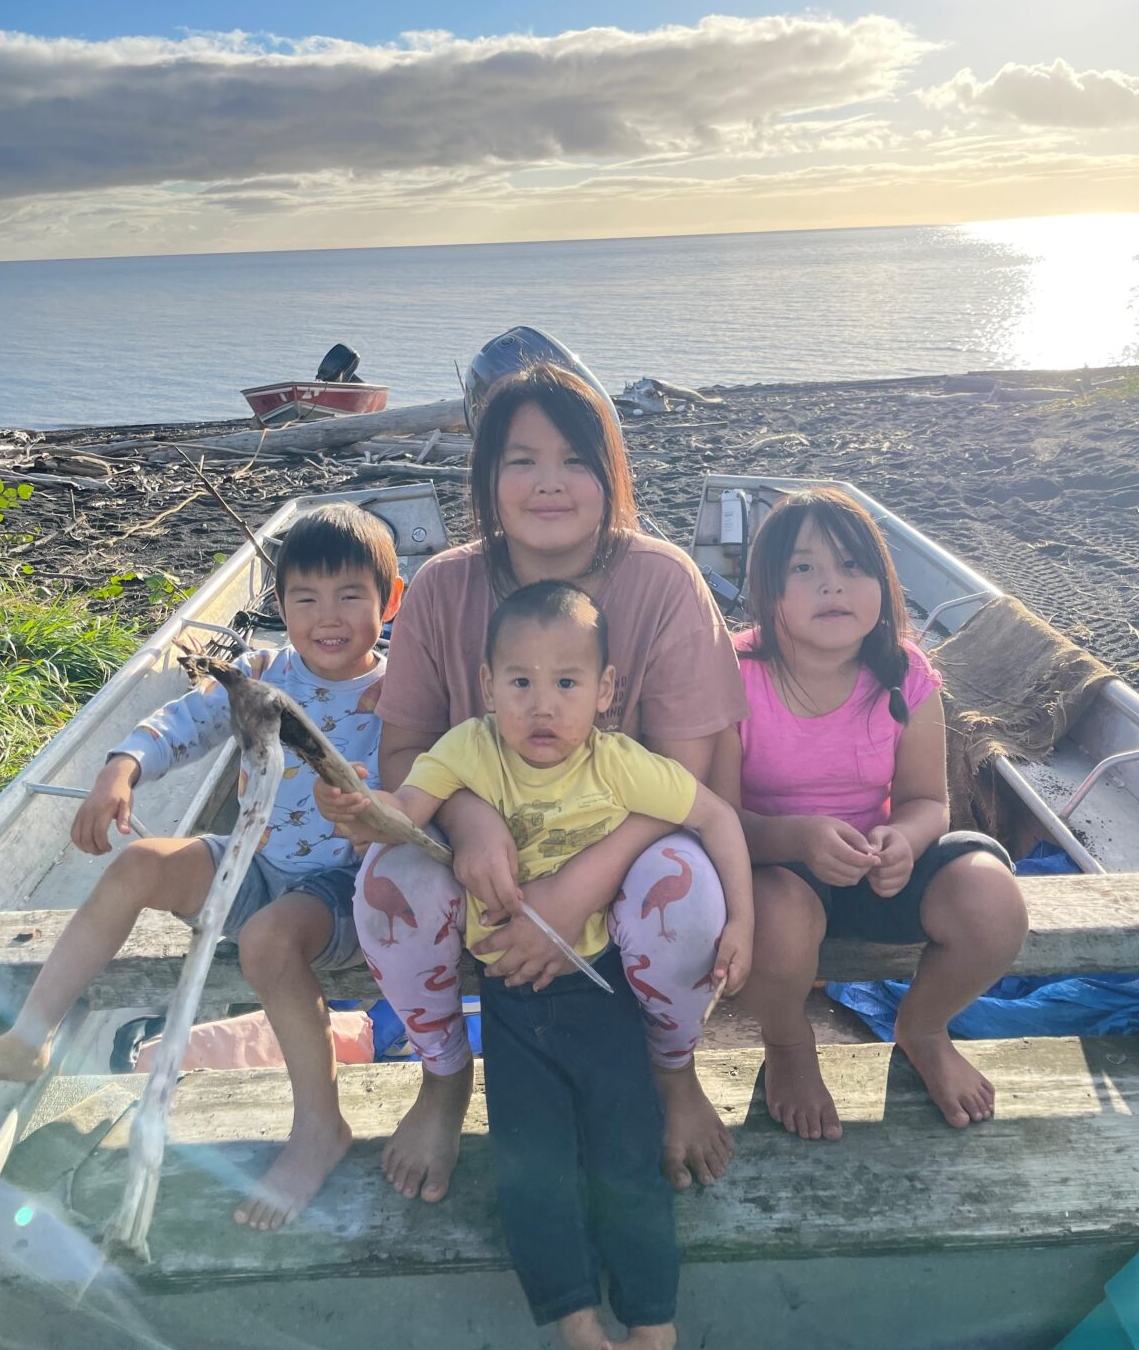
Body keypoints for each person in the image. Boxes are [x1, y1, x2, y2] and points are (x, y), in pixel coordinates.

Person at [315, 362, 750, 1203]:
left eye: (575, 459)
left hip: (631, 839)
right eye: (521, 459)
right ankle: (443, 1074)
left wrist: (572, 890)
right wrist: (472, 819)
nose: (549, 482)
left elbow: (690, 782)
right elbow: (405, 751)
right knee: (386, 881)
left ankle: (673, 1070)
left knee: (686, 892)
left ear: (611, 474)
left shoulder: (663, 581)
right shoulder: (445, 585)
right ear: (486, 478)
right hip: (484, 864)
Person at [0, 503, 402, 1230]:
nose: (328, 616)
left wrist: (377, 803)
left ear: (390, 600)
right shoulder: (263, 671)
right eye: (304, 598)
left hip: (341, 887)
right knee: (139, 864)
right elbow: (183, 723)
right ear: (279, 606)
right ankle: (31, 1037)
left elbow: (437, 774)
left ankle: (320, 1124)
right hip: (252, 858)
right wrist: (120, 768)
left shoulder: (399, 690)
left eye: (351, 595)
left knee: (268, 940)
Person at [349, 579, 753, 1350]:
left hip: (602, 996)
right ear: (486, 686)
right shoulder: (468, 747)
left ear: (605, 691)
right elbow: (410, 806)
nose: (542, 704)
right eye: (521, 682)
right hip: (509, 1001)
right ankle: (574, 1317)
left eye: (566, 682)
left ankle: (653, 1318)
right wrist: (364, 808)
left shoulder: (620, 764)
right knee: (530, 1163)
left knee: (627, 1150)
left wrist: (744, 918)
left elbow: (715, 816)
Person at [711, 487, 1029, 1140]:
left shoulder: (903, 674)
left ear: (884, 583)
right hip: (775, 874)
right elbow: (714, 817)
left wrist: (903, 842)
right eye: (804, 568)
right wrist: (797, 836)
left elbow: (928, 803)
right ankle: (789, 1042)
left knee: (994, 901)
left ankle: (923, 1026)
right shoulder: (733, 673)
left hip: (875, 871)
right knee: (771, 921)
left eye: (854, 565)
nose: (833, 583)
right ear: (767, 591)